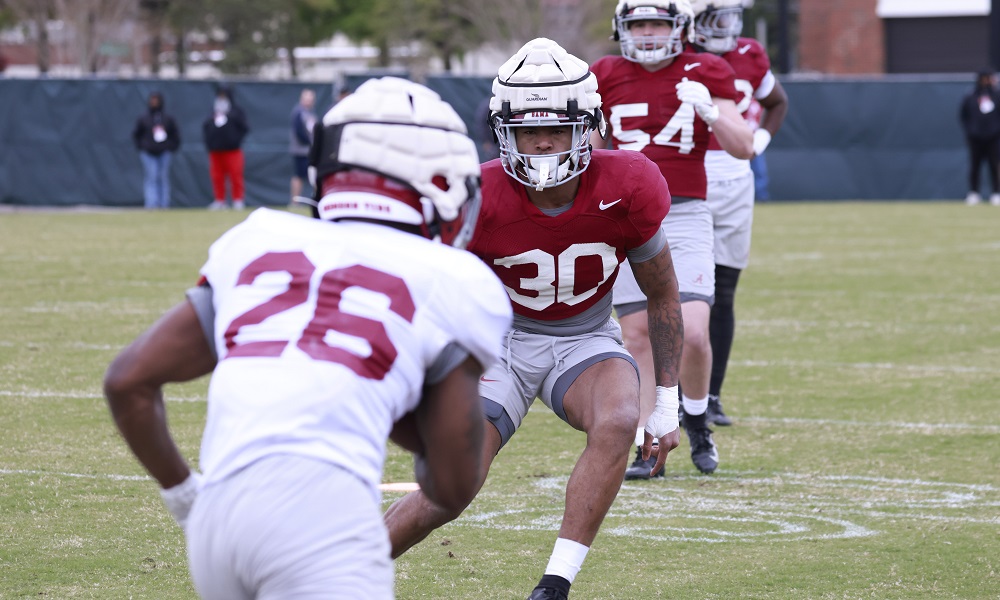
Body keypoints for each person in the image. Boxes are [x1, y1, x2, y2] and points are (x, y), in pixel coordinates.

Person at [104, 77, 513, 599]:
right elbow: (451, 484)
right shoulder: (456, 279)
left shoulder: (259, 236)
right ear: (441, 182)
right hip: (321, 515)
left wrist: (186, 498)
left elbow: (127, 381)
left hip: (218, 521)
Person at [383, 38, 684, 600]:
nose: (542, 143)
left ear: (588, 127)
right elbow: (430, 293)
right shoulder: (479, 194)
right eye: (527, 130)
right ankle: (334, 573)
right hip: (497, 344)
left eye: (557, 129)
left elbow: (663, 295)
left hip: (585, 338)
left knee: (620, 417)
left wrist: (667, 403)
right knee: (453, 484)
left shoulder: (630, 185)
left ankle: (554, 586)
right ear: (504, 132)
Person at [589, 0, 753, 477]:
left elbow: (742, 145)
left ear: (678, 27)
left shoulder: (707, 68)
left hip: (685, 212)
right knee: (637, 335)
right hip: (626, 216)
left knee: (695, 331)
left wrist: (710, 111)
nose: (646, 32)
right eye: (638, 24)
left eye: (656, 22)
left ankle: (698, 418)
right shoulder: (604, 73)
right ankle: (650, 444)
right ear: (623, 28)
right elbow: (592, 154)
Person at [688, 0, 789, 427]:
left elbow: (777, 101)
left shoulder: (749, 53)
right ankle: (674, 397)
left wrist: (760, 140)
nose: (729, 25)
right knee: (682, 297)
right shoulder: (679, 57)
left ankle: (711, 396)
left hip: (732, 178)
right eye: (718, 15)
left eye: (732, 15)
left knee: (723, 292)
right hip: (684, 178)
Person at [203, 85, 249, 210]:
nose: (222, 98)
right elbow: (206, 128)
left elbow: (244, 128)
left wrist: (235, 140)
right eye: (220, 96)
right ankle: (220, 200)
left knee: (235, 176)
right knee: (217, 177)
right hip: (216, 151)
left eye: (224, 96)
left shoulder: (236, 112)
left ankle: (237, 200)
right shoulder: (213, 112)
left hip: (232, 150)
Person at [132, 91, 181, 209]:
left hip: (164, 152)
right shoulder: (144, 118)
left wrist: (170, 147)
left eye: (156, 100)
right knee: (151, 177)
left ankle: (164, 204)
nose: (154, 102)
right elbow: (136, 134)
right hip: (148, 153)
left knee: (162, 178)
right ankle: (151, 204)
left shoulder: (167, 118)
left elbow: (175, 135)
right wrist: (143, 146)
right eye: (152, 100)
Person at [959, 70, 1000, 206]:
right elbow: (963, 116)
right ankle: (974, 193)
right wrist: (971, 131)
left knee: (994, 166)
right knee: (975, 166)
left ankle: (996, 193)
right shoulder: (970, 96)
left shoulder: (996, 95)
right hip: (975, 138)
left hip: (993, 138)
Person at [289, 88, 317, 206]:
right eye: (306, 98)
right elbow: (299, 132)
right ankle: (294, 202)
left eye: (311, 99)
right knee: (299, 176)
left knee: (313, 176)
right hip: (301, 151)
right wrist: (310, 143)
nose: (309, 101)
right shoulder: (298, 112)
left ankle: (316, 201)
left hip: (309, 151)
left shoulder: (309, 113)